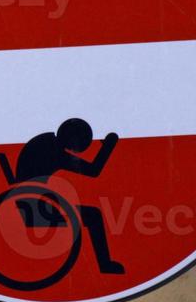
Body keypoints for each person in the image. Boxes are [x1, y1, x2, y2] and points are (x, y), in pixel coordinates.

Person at [11, 117, 126, 275]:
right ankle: (105, 265)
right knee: (93, 216)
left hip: (29, 202)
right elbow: (93, 170)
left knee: (84, 210)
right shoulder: (53, 151)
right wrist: (110, 145)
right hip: (34, 210)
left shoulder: (45, 141)